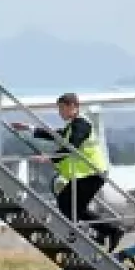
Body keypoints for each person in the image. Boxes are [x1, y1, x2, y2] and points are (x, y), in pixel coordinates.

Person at [11, 93, 124, 252]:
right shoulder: (74, 125)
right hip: (88, 174)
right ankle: (105, 232)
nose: (60, 113)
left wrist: (49, 158)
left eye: (62, 109)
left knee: (66, 204)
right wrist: (29, 128)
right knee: (73, 207)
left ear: (72, 107)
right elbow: (57, 135)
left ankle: (100, 232)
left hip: (92, 173)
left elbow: (72, 146)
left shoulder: (81, 125)